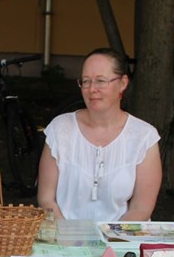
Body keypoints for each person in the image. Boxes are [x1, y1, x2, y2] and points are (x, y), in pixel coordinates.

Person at [37, 48, 162, 221]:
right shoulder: (60, 129)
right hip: (64, 234)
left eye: (101, 81)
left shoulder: (143, 137)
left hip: (122, 235)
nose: (92, 89)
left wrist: (111, 236)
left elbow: (141, 209)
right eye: (86, 81)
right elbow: (46, 200)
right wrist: (68, 234)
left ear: (123, 83)